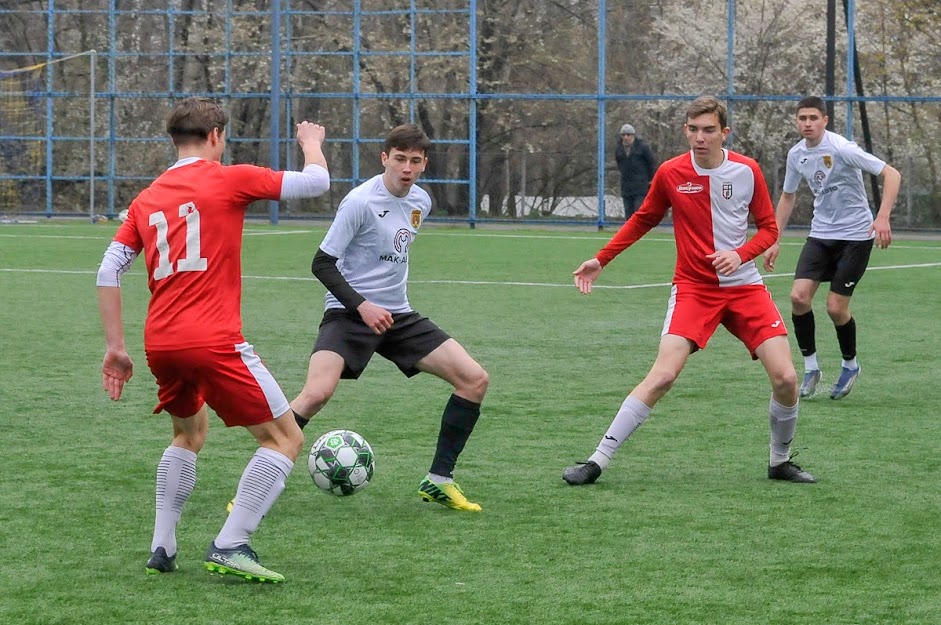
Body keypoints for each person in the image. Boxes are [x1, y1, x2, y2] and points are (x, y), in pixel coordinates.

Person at [96, 96, 330, 583]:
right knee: (285, 438)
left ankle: (162, 545)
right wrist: (311, 144)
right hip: (212, 339)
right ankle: (231, 542)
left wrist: (115, 348)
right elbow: (317, 183)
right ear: (217, 136)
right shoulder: (228, 178)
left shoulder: (146, 198)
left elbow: (109, 268)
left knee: (188, 433)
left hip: (160, 342)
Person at [563, 96, 815, 487]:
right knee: (662, 376)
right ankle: (597, 459)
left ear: (724, 133)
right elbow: (644, 218)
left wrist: (741, 254)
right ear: (685, 130)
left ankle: (779, 461)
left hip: (745, 287)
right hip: (694, 289)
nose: (700, 137)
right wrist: (602, 259)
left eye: (708, 130)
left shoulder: (747, 170)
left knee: (785, 378)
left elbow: (768, 228)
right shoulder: (670, 172)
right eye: (693, 129)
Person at [290, 123, 489, 512]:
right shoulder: (360, 202)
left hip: (397, 316)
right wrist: (361, 305)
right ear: (385, 158)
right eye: (399, 159)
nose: (406, 168)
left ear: (424, 163)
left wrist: (383, 305)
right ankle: (255, 483)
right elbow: (322, 263)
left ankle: (439, 480)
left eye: (415, 161)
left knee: (474, 380)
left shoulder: (421, 202)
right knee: (315, 394)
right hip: (348, 314)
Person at [763, 96, 900, 400]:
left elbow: (892, 174)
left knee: (836, 308)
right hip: (821, 234)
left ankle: (850, 365)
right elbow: (787, 197)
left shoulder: (841, 148)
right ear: (796, 121)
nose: (807, 123)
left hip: (855, 236)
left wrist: (882, 216)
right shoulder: (796, 154)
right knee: (798, 298)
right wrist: (774, 239)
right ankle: (811, 368)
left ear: (825, 120)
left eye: (813, 118)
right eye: (802, 118)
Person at [615, 123, 658, 220]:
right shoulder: (619, 149)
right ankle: (628, 233)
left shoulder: (643, 147)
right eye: (623, 135)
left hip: (640, 185)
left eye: (628, 135)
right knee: (628, 212)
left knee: (639, 210)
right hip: (626, 185)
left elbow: (651, 163)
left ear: (633, 135)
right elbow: (619, 164)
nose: (626, 137)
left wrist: (651, 179)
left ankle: (639, 231)